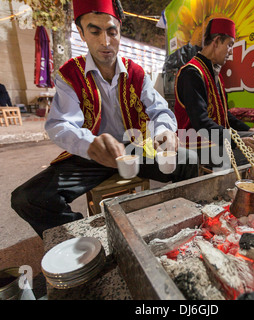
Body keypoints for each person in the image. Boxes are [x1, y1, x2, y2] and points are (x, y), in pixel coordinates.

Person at [11, 0, 199, 238]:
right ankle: (87, 241)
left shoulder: (136, 73)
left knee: (188, 161)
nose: (105, 42)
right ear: (81, 33)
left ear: (119, 31)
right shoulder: (70, 75)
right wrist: (89, 144)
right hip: (92, 153)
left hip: (135, 148)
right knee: (28, 198)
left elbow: (159, 110)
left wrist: (164, 131)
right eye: (95, 31)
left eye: (112, 32)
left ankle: (180, 225)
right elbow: (61, 124)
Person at [174, 18, 254, 169]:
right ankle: (234, 190)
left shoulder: (214, 74)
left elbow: (224, 114)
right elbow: (201, 123)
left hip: (217, 139)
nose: (231, 52)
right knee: (249, 155)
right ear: (217, 41)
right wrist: (236, 141)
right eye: (230, 45)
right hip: (196, 144)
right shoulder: (191, 73)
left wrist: (246, 129)